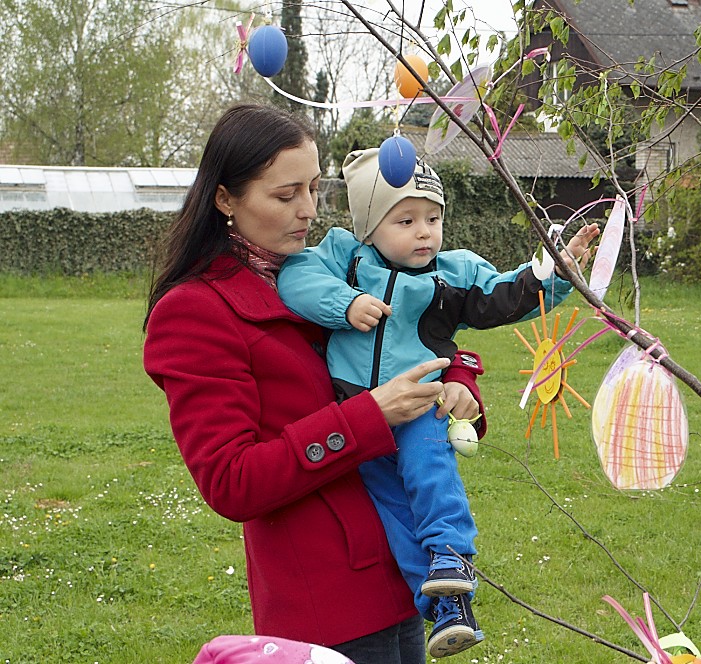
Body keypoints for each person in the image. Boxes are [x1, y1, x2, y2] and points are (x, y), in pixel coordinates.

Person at [142, 103, 487, 664]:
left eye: (313, 188)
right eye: (286, 195)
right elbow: (231, 481)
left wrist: (457, 377)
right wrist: (371, 415)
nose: (308, 210)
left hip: (403, 569)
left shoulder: (332, 275)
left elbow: (410, 337)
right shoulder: (195, 311)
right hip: (326, 598)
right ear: (225, 199)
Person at [277, 147, 599, 657]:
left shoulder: (452, 273)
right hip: (361, 419)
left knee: (432, 474)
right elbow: (296, 276)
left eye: (433, 218)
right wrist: (346, 303)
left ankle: (452, 555)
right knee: (395, 516)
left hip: (421, 406)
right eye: (405, 220)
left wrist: (554, 273)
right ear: (369, 227)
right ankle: (447, 607)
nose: (424, 233)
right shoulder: (345, 255)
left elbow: (505, 295)